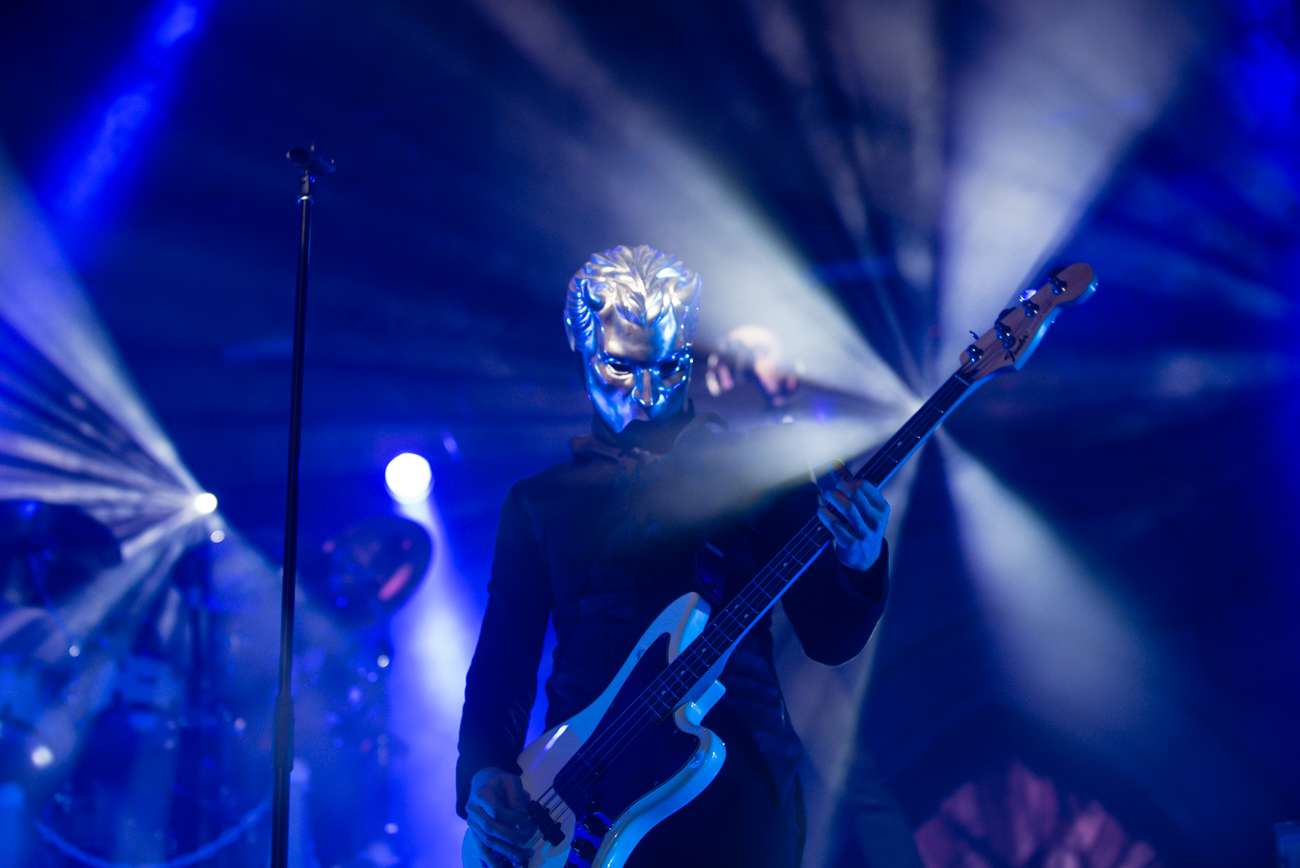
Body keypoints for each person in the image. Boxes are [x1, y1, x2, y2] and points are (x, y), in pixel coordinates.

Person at [457, 244, 893, 867]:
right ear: (580, 346)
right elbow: (504, 655)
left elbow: (830, 638)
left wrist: (859, 557)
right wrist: (486, 768)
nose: (645, 394)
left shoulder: (757, 473)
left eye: (668, 369)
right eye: (619, 366)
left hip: (733, 784)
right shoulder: (540, 503)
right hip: (583, 794)